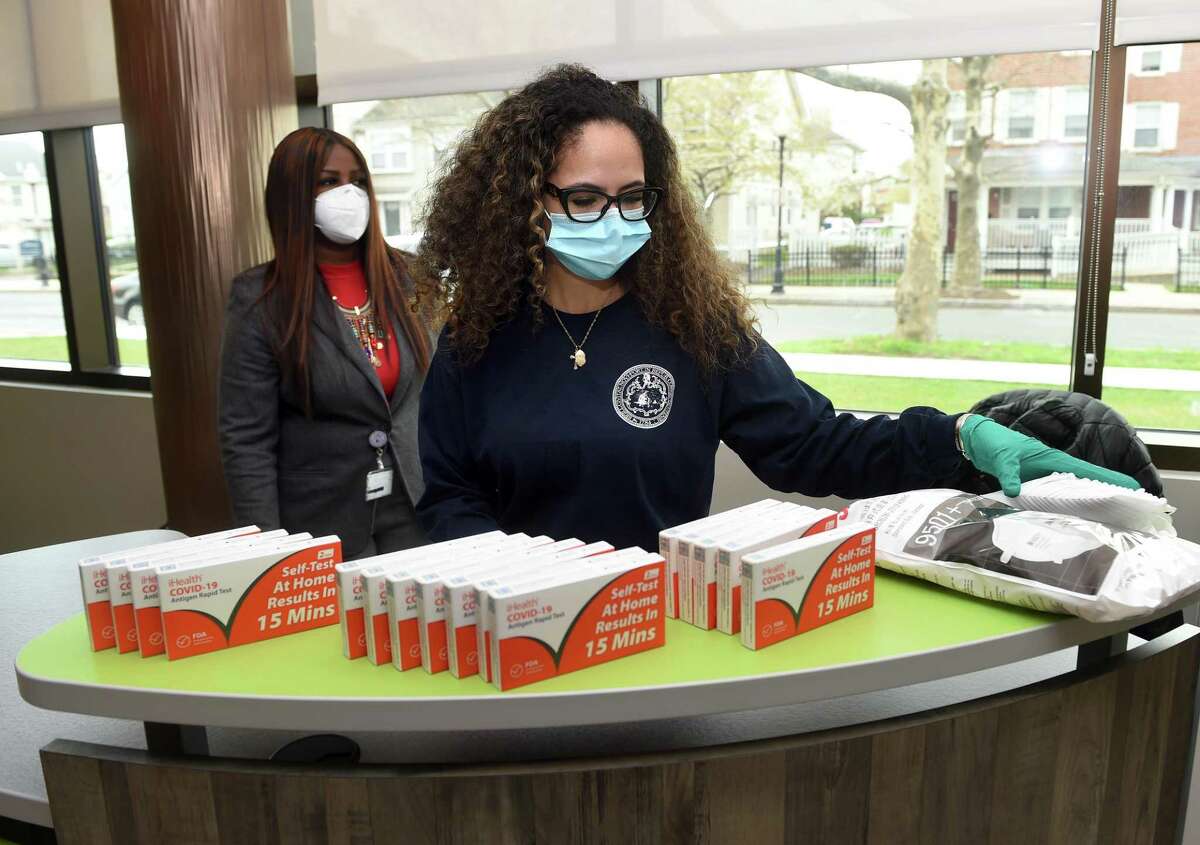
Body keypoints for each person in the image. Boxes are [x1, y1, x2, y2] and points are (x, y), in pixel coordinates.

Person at [412, 65, 1137, 551]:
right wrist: (509, 583)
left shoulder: (693, 327)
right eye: (585, 199)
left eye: (633, 197)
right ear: (523, 204)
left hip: (654, 634)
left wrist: (956, 438)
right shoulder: (474, 342)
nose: (614, 218)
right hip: (514, 642)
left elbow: (817, 443)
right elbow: (449, 499)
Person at [219, 127, 435, 558]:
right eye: (328, 182)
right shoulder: (261, 297)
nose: (348, 194)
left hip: (417, 509)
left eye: (357, 181)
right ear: (292, 196)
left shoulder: (410, 277)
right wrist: (266, 550)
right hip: (319, 524)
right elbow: (246, 439)